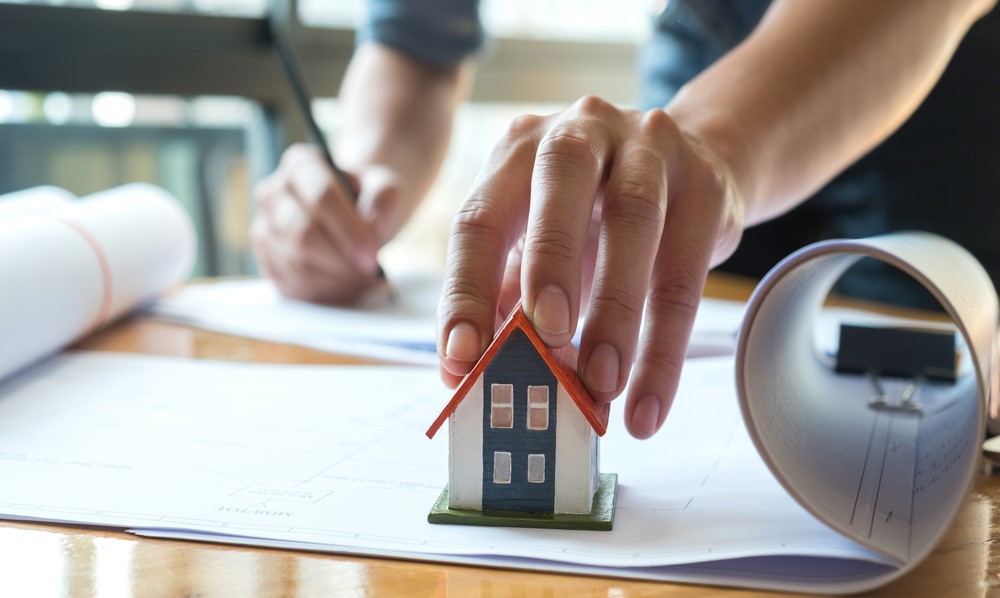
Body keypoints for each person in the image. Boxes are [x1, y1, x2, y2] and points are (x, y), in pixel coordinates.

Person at [251, 0, 998, 439]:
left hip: (919, 60)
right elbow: (414, 40)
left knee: (918, 431)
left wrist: (713, 146)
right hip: (703, 55)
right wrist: (357, 188)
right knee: (708, 405)